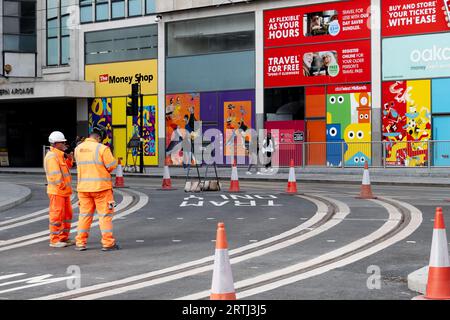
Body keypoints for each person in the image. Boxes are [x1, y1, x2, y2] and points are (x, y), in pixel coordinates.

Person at [74, 125, 119, 251]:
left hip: (83, 188)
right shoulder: (102, 148)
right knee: (105, 216)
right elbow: (111, 166)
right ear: (99, 137)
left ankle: (80, 243)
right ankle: (108, 243)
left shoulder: (78, 149)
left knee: (84, 216)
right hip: (101, 188)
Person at [44, 131, 75, 248]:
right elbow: (55, 176)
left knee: (67, 215)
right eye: (63, 142)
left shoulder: (59, 155)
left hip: (64, 192)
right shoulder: (52, 156)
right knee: (56, 215)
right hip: (57, 192)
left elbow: (67, 168)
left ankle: (63, 238)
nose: (65, 144)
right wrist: (62, 186)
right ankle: (54, 240)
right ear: (56, 143)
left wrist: (69, 158)